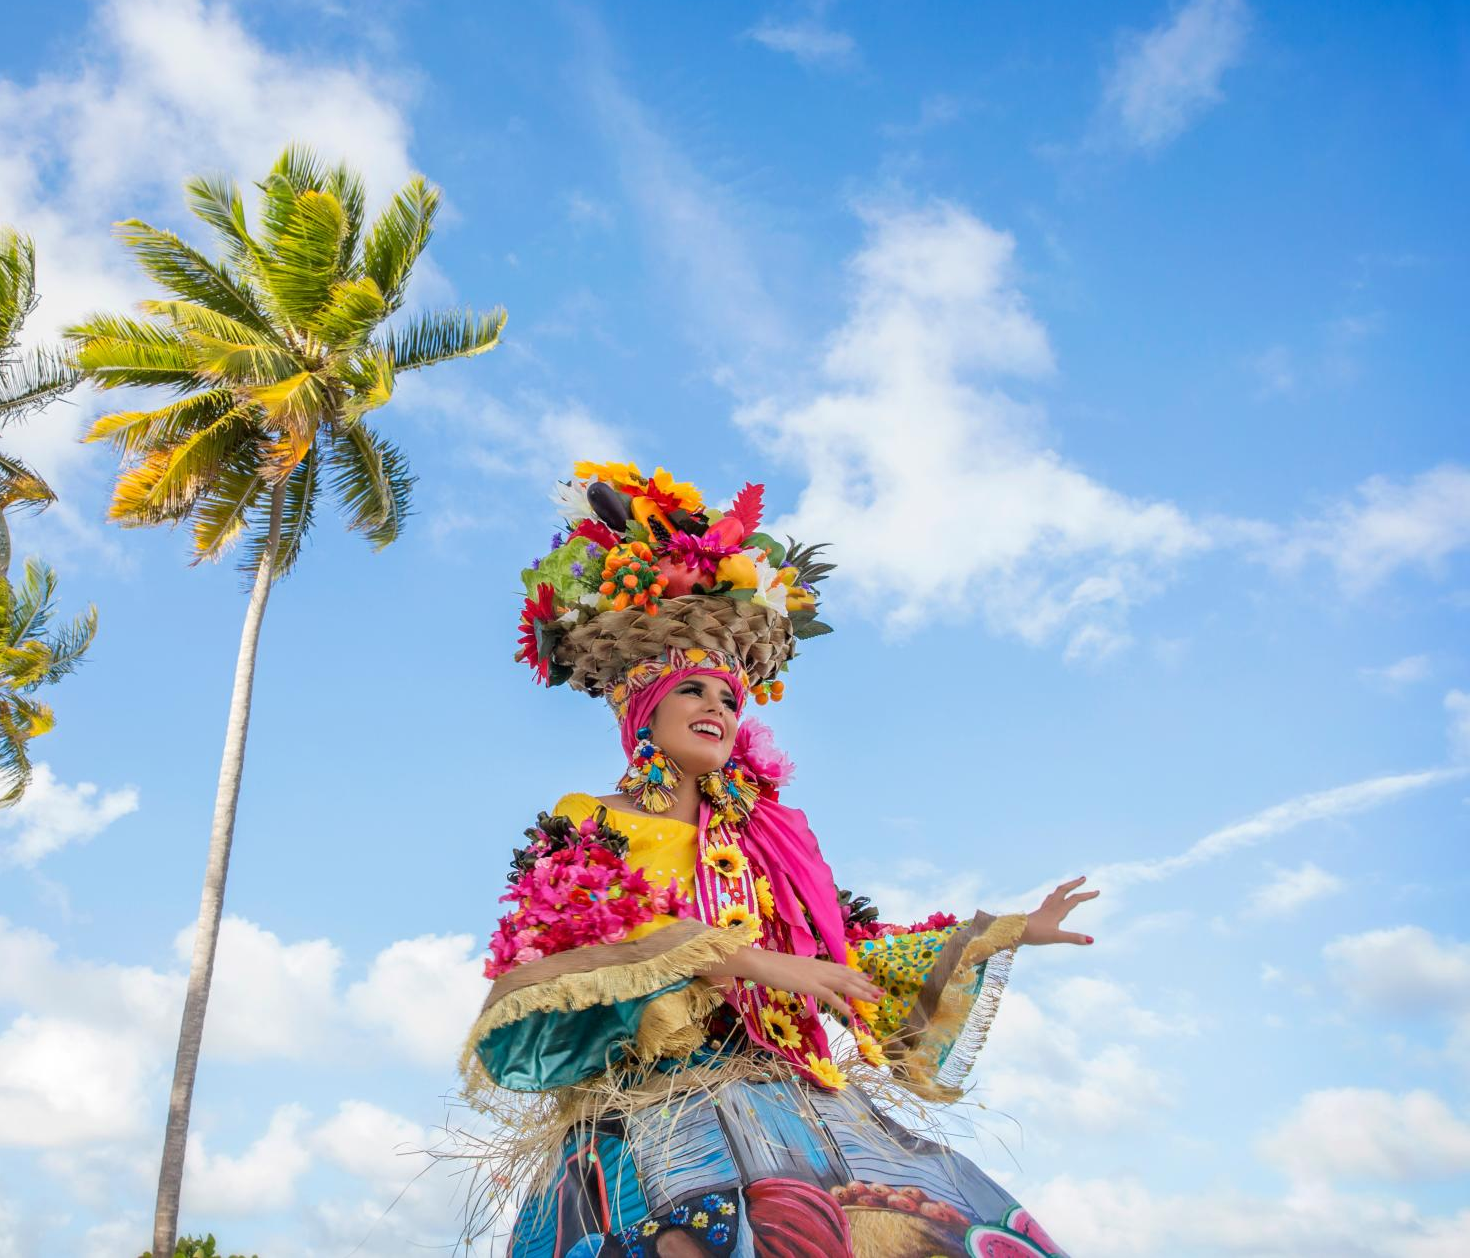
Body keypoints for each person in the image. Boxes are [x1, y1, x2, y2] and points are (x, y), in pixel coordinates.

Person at [463, 462, 1096, 1258]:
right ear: (645, 713)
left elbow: (841, 956)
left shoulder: (767, 841)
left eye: (730, 699)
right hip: (658, 1111)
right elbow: (582, 944)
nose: (718, 710)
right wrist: (757, 962)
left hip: (794, 1106)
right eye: (696, 691)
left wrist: (1005, 931)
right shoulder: (591, 822)